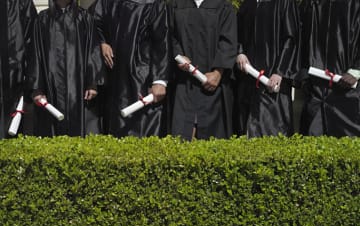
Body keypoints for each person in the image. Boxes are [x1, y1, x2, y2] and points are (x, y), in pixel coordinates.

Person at [90, 0, 171, 138]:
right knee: (115, 129)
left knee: (145, 129)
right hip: (115, 76)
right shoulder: (106, 2)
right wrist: (102, 42)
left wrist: (159, 80)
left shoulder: (155, 4)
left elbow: (162, 42)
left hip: (144, 77)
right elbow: (92, 23)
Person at [26, 0, 104, 137]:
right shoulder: (42, 19)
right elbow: (35, 54)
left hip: (78, 87)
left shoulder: (84, 18)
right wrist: (37, 87)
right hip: (50, 88)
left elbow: (93, 51)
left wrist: (92, 82)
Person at [169, 0, 237, 140]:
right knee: (181, 137)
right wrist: (178, 56)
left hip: (213, 84)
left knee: (213, 142)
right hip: (184, 83)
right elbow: (169, 36)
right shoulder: (175, 5)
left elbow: (228, 41)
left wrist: (218, 72)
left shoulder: (223, 6)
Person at [234, 0, 300, 138]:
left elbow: (290, 39)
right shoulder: (247, 4)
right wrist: (240, 52)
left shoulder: (285, 3)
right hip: (248, 80)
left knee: (274, 131)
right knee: (245, 131)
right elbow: (237, 34)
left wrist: (280, 71)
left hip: (273, 81)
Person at [299, 0, 360, 137]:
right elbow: (299, 39)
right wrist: (302, 76)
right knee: (311, 147)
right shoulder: (309, 4)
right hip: (315, 91)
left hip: (349, 91)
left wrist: (356, 71)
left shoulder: (355, 4)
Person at [0, 0, 37, 139]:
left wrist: (31, 77)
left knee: (13, 129)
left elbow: (32, 40)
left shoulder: (22, 3)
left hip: (15, 75)